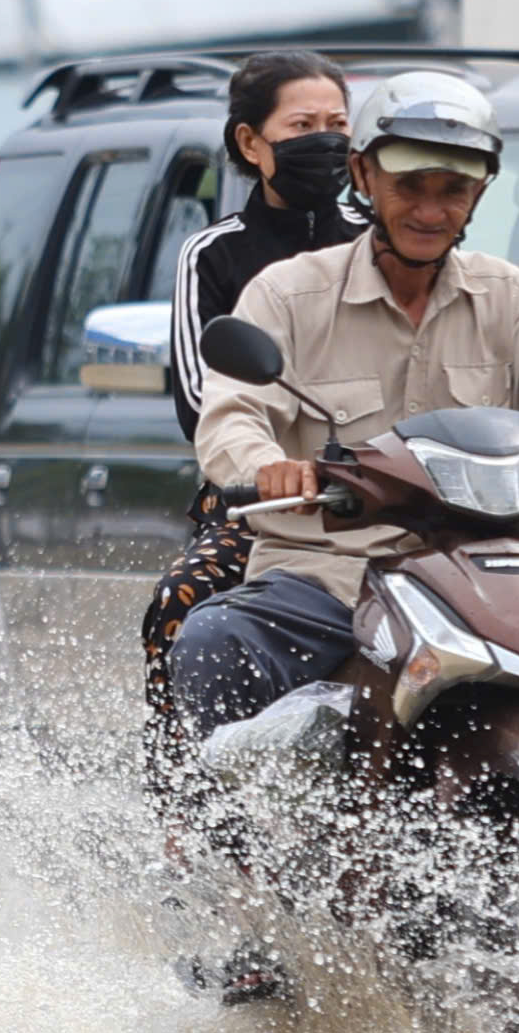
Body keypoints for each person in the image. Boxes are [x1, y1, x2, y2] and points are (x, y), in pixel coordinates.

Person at [165, 70, 519, 788]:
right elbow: (231, 416)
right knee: (214, 640)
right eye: (410, 186)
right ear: (363, 176)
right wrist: (269, 464)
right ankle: (227, 846)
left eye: (453, 189)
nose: (430, 210)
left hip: (490, 577)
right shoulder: (287, 293)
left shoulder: (507, 294)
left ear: (479, 195)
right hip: (330, 579)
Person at [139, 51, 364, 802]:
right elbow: (205, 398)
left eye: (339, 125)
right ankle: (189, 800)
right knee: (180, 603)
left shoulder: (386, 244)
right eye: (303, 126)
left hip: (404, 494)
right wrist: (270, 468)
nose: (326, 141)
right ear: (251, 144)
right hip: (271, 505)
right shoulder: (216, 254)